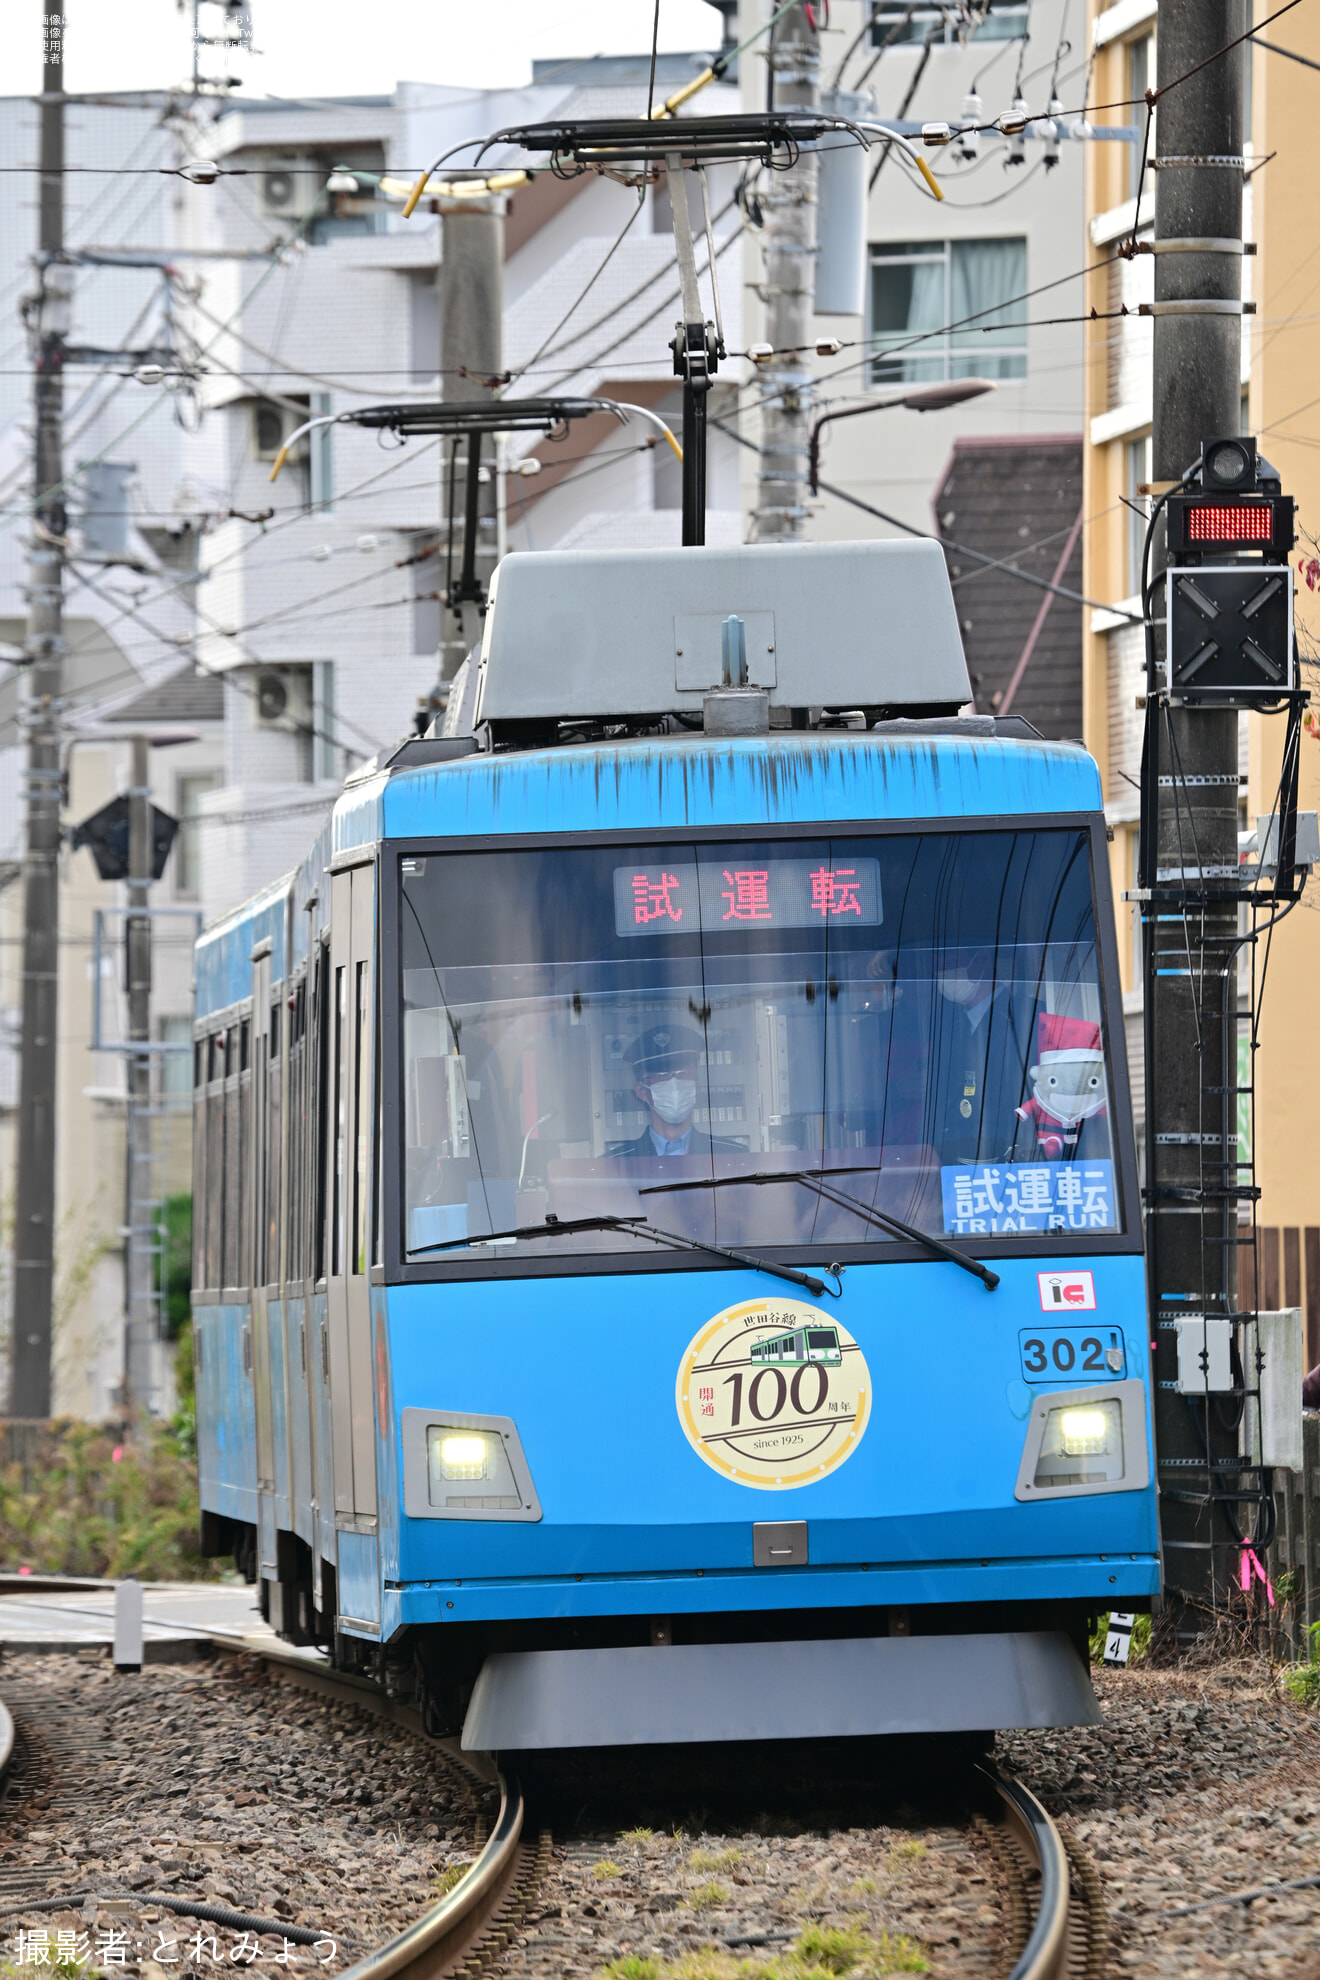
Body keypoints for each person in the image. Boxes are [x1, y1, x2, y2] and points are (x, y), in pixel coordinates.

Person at [924, 945, 1035, 1165]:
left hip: (1010, 1158)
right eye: (939, 967)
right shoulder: (948, 1025)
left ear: (982, 960)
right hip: (955, 1160)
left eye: (950, 963)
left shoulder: (1025, 1017)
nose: (943, 975)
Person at [608, 1024, 742, 1159]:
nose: (674, 1083)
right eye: (661, 1074)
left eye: (682, 1073)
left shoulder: (733, 1155)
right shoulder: (616, 1162)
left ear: (696, 1085)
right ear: (641, 1090)